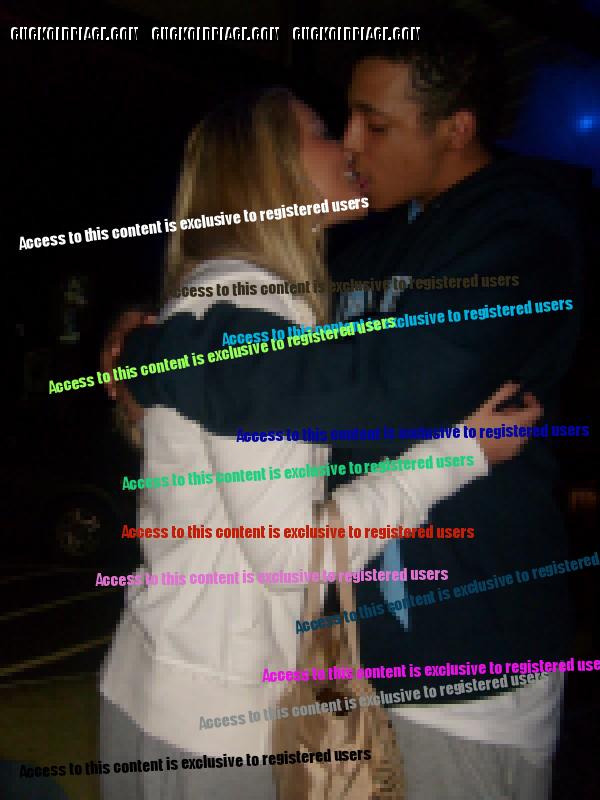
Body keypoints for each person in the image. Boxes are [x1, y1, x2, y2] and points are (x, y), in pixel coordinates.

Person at [99, 86, 540, 800]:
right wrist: (461, 454)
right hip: (211, 719)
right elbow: (293, 558)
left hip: (164, 682)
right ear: (269, 166)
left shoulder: (214, 292)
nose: (348, 146)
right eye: (324, 131)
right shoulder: (253, 303)